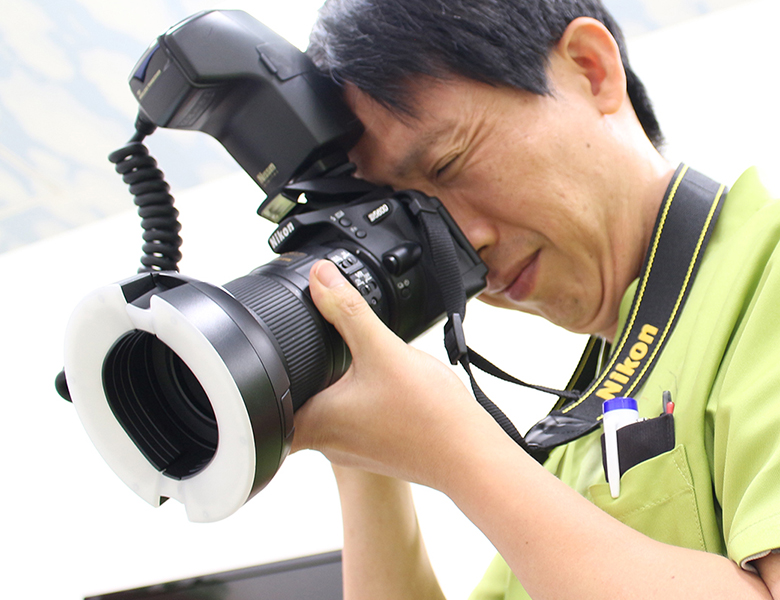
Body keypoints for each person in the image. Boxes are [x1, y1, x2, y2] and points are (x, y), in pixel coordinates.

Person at [288, 0, 780, 598]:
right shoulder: (578, 434)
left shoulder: (766, 274)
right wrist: (357, 440)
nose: (461, 244)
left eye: (449, 164)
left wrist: (457, 449)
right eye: (418, 221)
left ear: (591, 69)